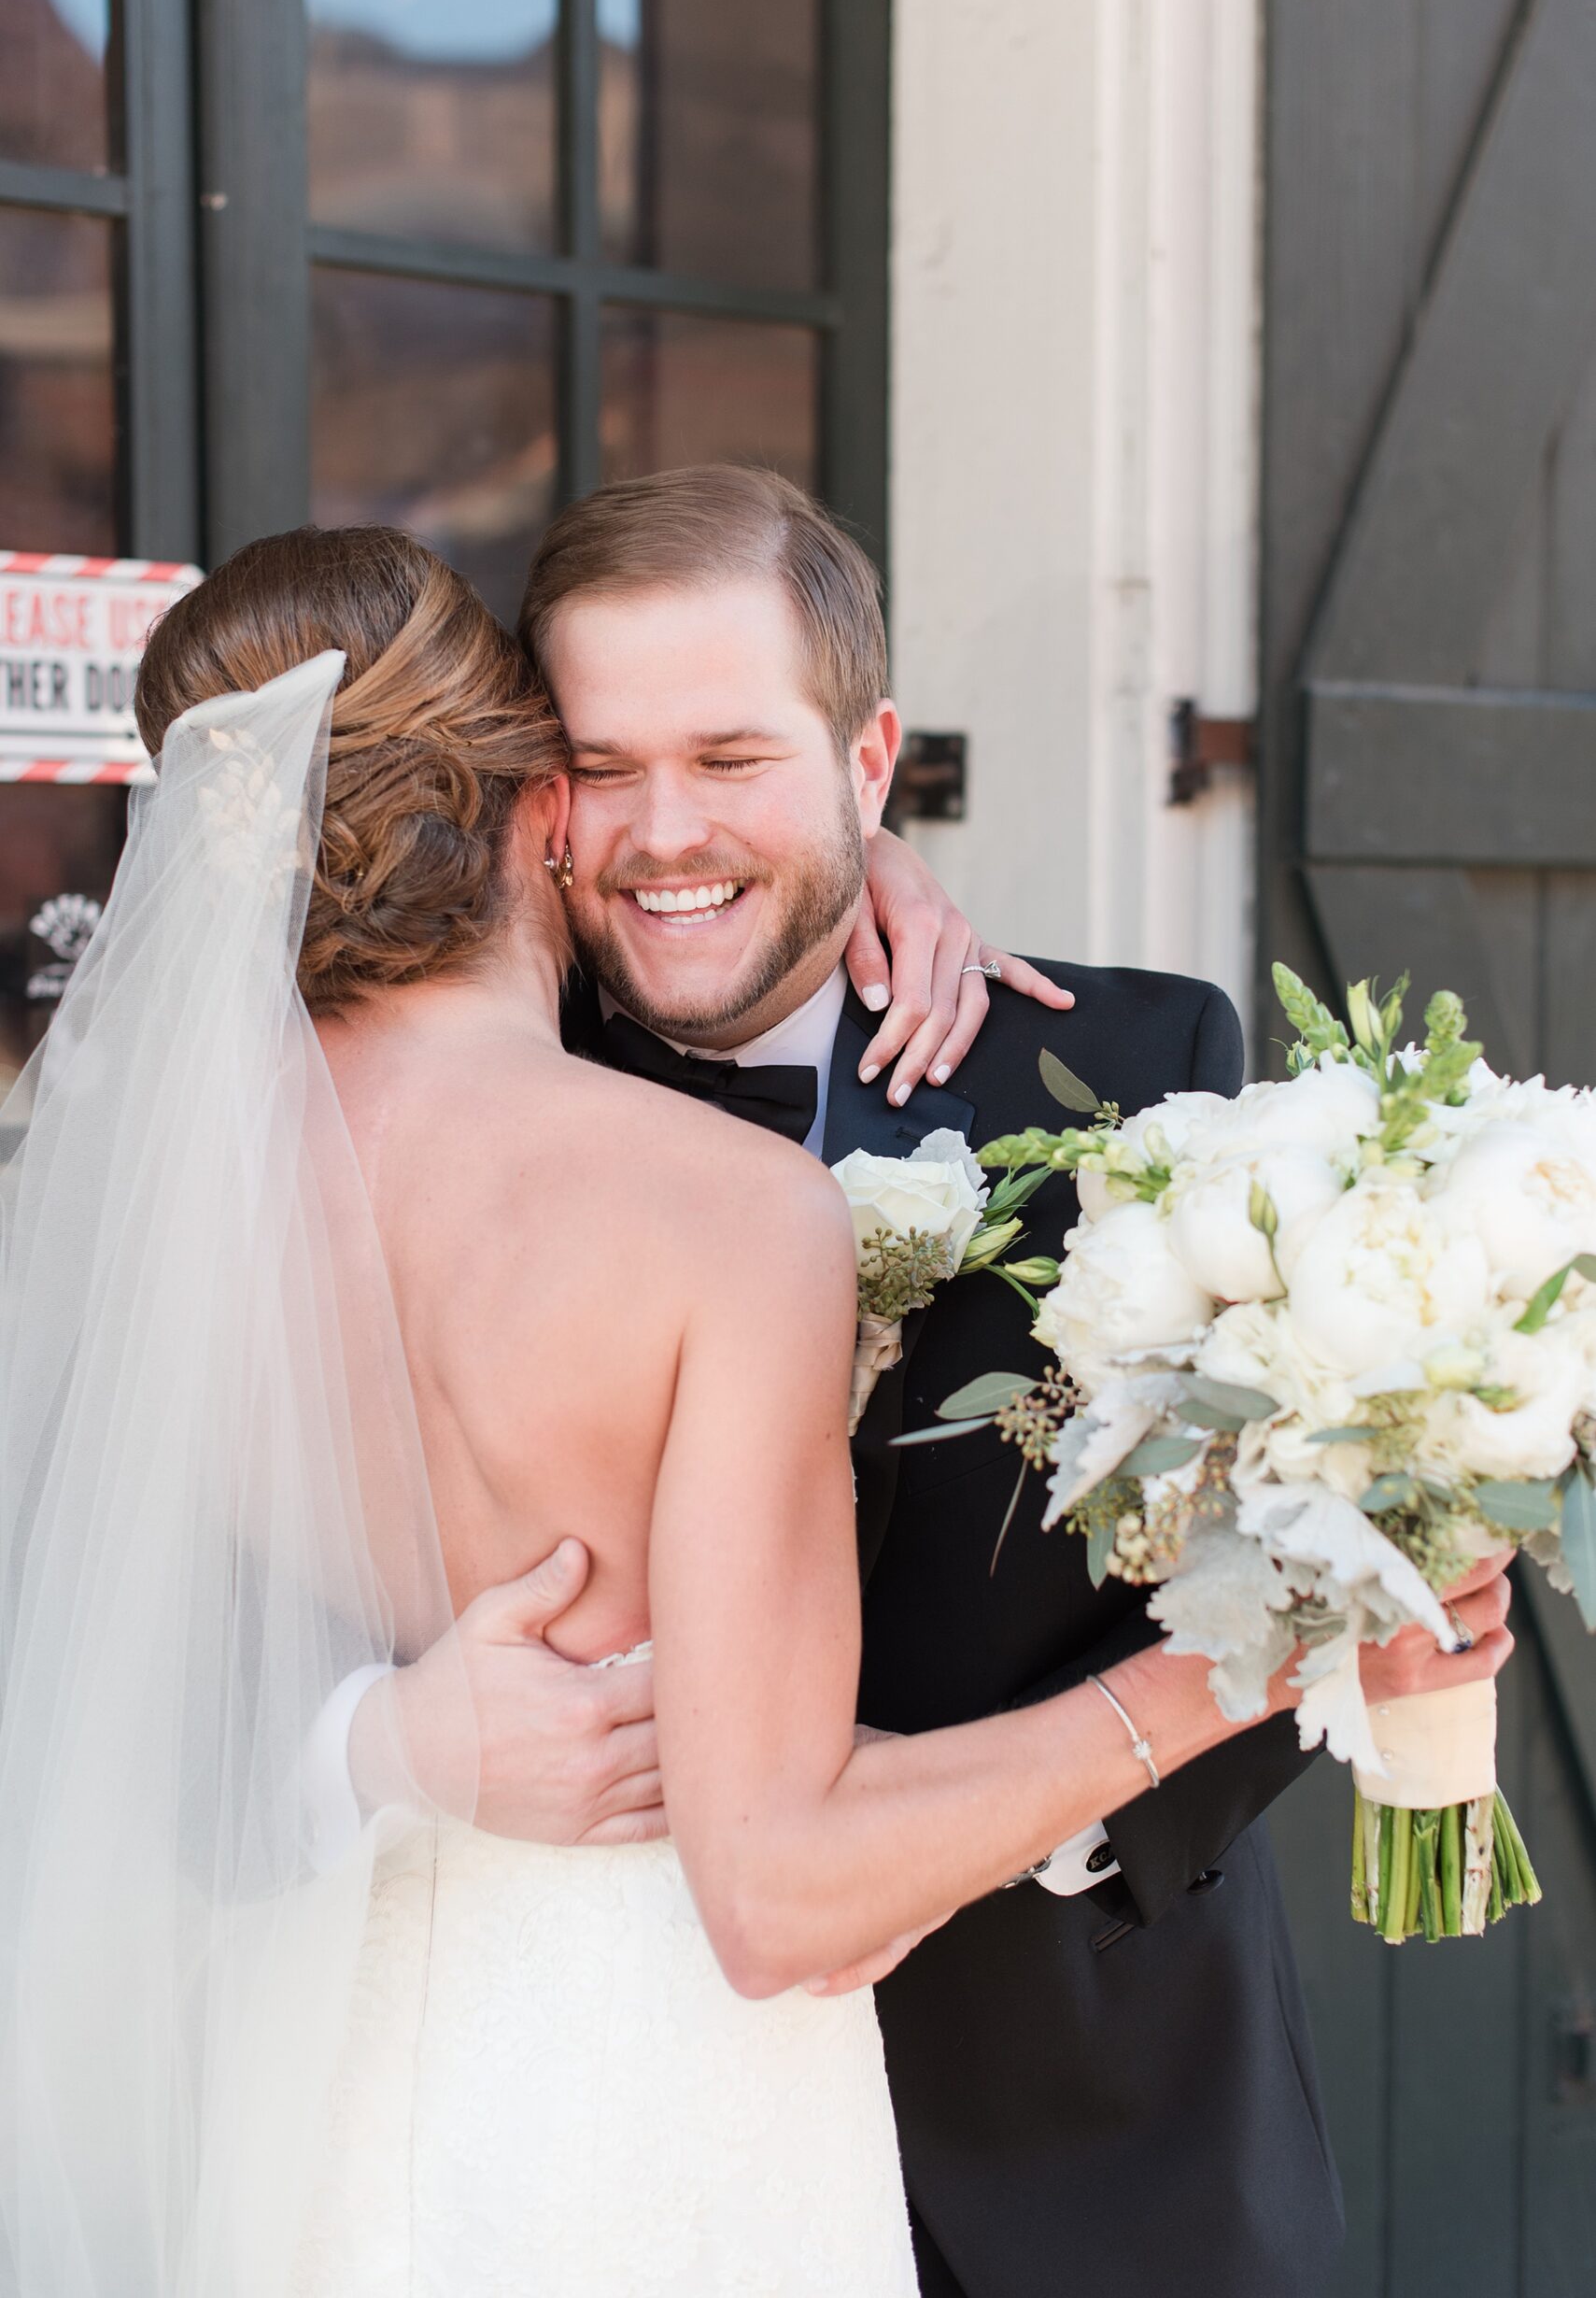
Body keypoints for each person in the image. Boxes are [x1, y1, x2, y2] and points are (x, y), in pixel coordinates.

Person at [0, 518, 1510, 2298]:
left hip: (1075, 2133)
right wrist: (373, 1746)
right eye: (601, 769)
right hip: (656, 2075)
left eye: (732, 762)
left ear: (867, 763)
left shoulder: (1132, 1073)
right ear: (538, 808)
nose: (664, 832)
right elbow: (118, 1698)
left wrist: (1350, 1616)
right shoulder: (640, 1157)